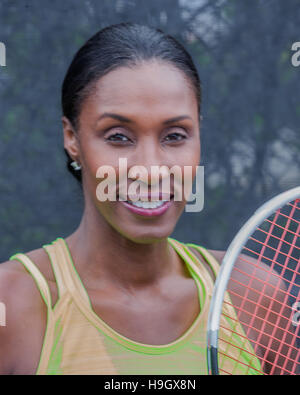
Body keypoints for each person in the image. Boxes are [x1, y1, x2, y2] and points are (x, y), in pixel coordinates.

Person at [0, 23, 285, 375]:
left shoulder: (250, 294)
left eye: (175, 136)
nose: (150, 170)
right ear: (72, 138)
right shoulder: (12, 304)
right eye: (119, 137)